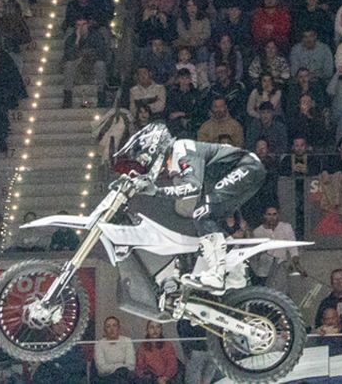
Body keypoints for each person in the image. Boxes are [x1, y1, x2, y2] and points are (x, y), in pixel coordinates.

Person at [113, 121, 269, 291]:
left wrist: (156, 191)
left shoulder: (182, 150)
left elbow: (192, 188)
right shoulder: (177, 157)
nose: (146, 163)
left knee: (202, 213)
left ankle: (217, 274)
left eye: (145, 158)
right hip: (245, 171)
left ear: (155, 148)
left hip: (246, 166)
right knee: (210, 219)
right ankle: (236, 273)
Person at [93, 315, 137, 384]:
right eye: (108, 326)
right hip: (106, 379)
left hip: (125, 377)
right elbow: (101, 369)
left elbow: (131, 366)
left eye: (114, 325)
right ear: (104, 330)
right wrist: (120, 366)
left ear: (119, 328)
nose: (112, 329)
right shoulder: (99, 344)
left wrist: (113, 367)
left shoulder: (127, 341)